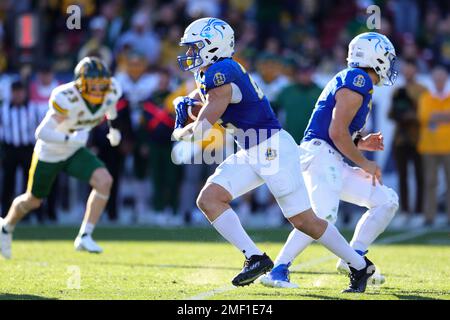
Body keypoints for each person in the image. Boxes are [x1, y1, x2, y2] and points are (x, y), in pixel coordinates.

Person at [173, 18, 376, 293]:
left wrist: (179, 130)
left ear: (212, 46)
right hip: (251, 147)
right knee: (209, 199)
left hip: (271, 148)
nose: (189, 53)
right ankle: (255, 257)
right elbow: (210, 107)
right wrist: (189, 107)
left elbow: (202, 127)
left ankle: (359, 265)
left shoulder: (222, 71)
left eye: (195, 47)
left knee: (305, 221)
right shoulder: (213, 72)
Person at [260, 32, 399, 288]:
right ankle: (278, 269)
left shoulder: (355, 80)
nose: (390, 64)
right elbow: (335, 132)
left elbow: (337, 132)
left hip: (329, 156)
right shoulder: (358, 79)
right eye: (387, 58)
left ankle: (353, 256)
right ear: (374, 56)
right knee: (322, 214)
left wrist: (359, 143)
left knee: (386, 200)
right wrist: (364, 162)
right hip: (321, 155)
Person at [0, 57, 122, 258]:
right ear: (80, 84)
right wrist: (71, 139)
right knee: (33, 200)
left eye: (102, 86)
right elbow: (41, 132)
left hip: (74, 151)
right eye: (93, 86)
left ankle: (85, 236)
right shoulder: (66, 97)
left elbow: (110, 106)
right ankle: (6, 226)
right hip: (51, 152)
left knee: (104, 181)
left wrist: (112, 127)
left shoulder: (112, 90)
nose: (98, 91)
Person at [388, 59, 426, 221]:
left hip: (417, 139)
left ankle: (418, 211)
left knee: (420, 176)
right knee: (402, 176)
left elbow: (425, 115)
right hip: (400, 139)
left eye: (411, 69)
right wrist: (400, 115)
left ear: (415, 71)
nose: (408, 72)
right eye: (406, 70)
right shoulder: (397, 90)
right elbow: (390, 114)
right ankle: (405, 211)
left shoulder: (422, 90)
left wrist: (413, 115)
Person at [0, 81, 40, 216]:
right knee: (8, 182)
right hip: (10, 149)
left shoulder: (33, 108)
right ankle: (5, 212)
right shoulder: (4, 109)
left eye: (20, 91)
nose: (18, 95)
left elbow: (39, 128)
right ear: (11, 93)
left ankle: (29, 213)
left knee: (29, 182)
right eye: (15, 92)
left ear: (24, 92)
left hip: (27, 149)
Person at [417, 66, 450, 226]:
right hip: (429, 147)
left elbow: (430, 117)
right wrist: (445, 116)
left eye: (441, 79)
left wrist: (435, 116)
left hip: (448, 147)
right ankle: (429, 216)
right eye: (436, 79)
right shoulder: (426, 97)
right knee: (430, 182)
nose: (439, 82)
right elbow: (424, 117)